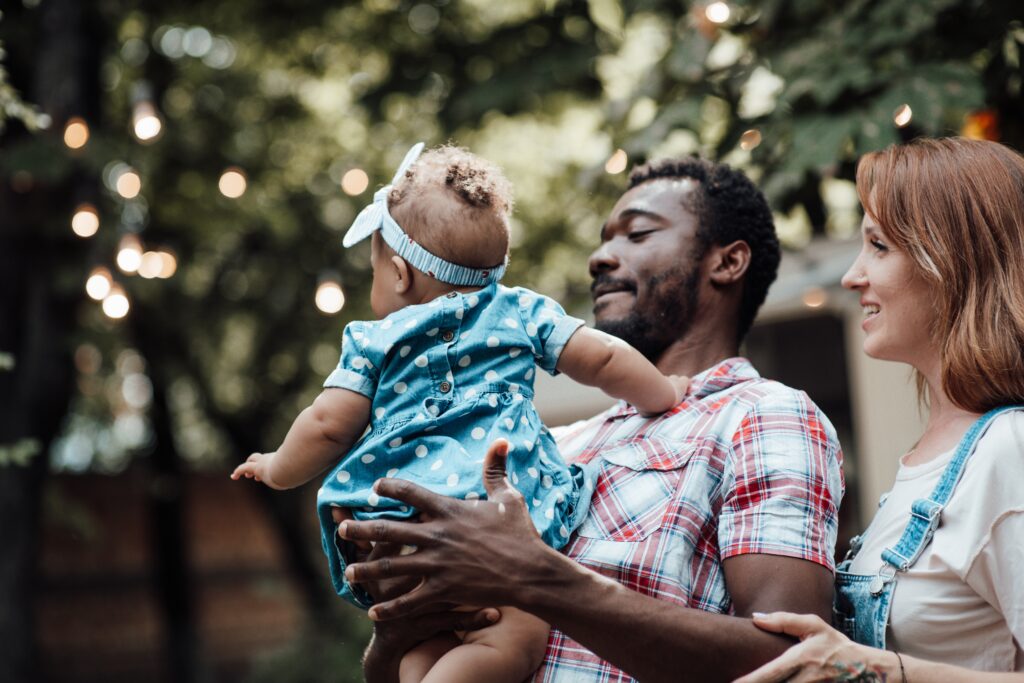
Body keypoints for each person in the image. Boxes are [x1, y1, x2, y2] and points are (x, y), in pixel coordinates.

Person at [337, 156, 847, 682]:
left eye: (638, 233)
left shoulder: (761, 414)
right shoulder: (555, 444)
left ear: (727, 262)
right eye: (604, 239)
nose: (600, 257)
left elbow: (800, 662)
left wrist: (534, 576)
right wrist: (396, 620)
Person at [231, 143, 688, 683]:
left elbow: (327, 423)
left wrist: (279, 467)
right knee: (513, 637)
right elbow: (604, 358)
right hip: (492, 526)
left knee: (421, 646)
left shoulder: (374, 339)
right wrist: (664, 391)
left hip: (402, 533)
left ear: (399, 274)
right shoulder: (520, 311)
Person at [735, 138, 1024, 681]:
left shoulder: (1010, 448)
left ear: (953, 263)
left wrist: (871, 669)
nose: (852, 276)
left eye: (879, 246)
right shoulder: (932, 458)